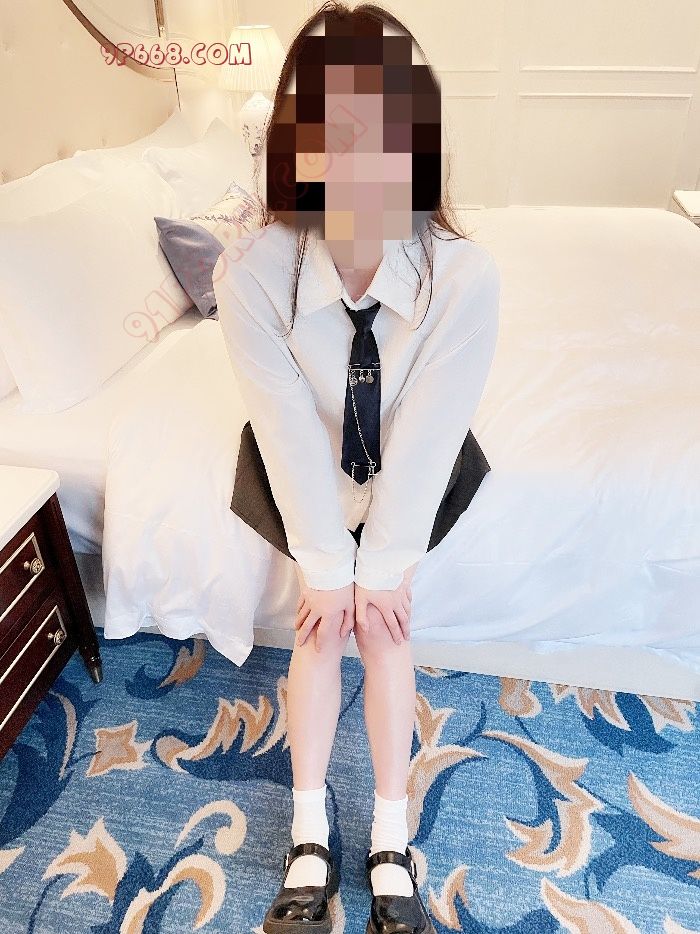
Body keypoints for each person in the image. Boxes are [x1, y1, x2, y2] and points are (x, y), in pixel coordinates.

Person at [213, 3, 500, 932]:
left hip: (409, 472)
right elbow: (285, 426)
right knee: (316, 628)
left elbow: (430, 430)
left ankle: (388, 834)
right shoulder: (250, 273)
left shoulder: (465, 277)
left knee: (383, 627)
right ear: (295, 141)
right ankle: (308, 832)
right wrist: (324, 565)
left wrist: (382, 569)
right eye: (331, 131)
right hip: (305, 471)